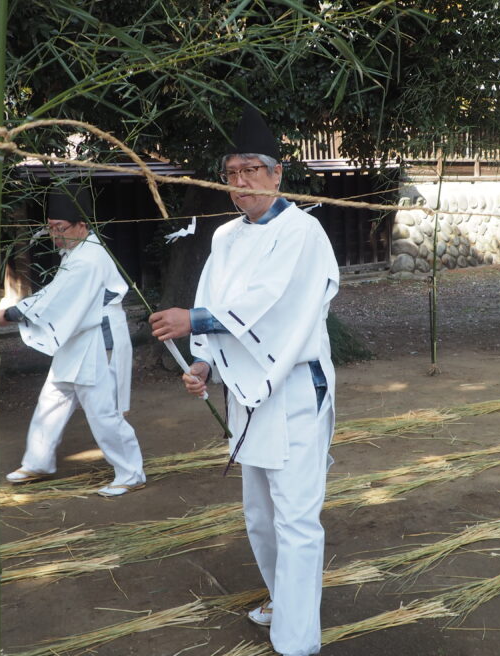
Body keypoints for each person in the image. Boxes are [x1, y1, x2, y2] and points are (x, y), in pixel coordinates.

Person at [149, 105, 339, 656]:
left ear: (277, 174)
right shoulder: (226, 236)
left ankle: (298, 641)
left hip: (294, 388)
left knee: (296, 516)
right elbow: (214, 300)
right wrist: (203, 363)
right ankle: (284, 598)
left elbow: (273, 304)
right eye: (231, 173)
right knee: (260, 514)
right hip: (245, 393)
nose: (240, 182)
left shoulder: (303, 232)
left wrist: (195, 320)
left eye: (251, 170)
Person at [1, 186, 145, 497]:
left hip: (98, 340)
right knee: (52, 398)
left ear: (82, 225)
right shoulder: (77, 252)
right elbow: (59, 294)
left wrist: (14, 313)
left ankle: (131, 473)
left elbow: (59, 298)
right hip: (78, 336)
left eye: (60, 228)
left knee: (103, 411)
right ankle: (37, 462)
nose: (54, 235)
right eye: (50, 228)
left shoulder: (89, 258)